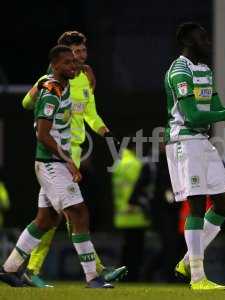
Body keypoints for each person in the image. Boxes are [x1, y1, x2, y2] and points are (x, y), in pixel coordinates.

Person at [0, 46, 112, 288]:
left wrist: (87, 74)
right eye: (68, 63)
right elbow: (42, 134)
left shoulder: (65, 84)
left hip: (53, 162)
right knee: (79, 213)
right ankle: (93, 277)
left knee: (46, 220)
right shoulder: (52, 91)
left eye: (75, 62)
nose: (73, 66)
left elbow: (32, 102)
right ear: (55, 66)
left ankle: (9, 269)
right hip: (51, 163)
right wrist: (68, 160)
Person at [21, 31, 126, 287]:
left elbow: (90, 112)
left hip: (74, 154)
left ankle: (21, 268)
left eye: (83, 52)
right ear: (64, 55)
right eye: (75, 53)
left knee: (56, 215)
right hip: (56, 154)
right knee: (67, 214)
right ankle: (90, 271)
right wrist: (38, 91)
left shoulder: (86, 76)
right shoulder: (51, 82)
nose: (80, 58)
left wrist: (103, 130)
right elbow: (26, 104)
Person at [164, 22, 225, 290]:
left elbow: (214, 107)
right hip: (184, 139)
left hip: (202, 140)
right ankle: (198, 278)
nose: (208, 43)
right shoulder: (179, 72)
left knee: (223, 203)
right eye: (203, 38)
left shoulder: (205, 70)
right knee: (197, 203)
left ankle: (187, 261)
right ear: (188, 41)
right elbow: (193, 115)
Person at [112, 146, 150, 281]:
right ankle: (133, 278)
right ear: (135, 148)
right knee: (136, 252)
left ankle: (122, 277)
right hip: (136, 215)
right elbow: (142, 189)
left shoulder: (118, 164)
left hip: (122, 215)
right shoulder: (136, 164)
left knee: (125, 251)